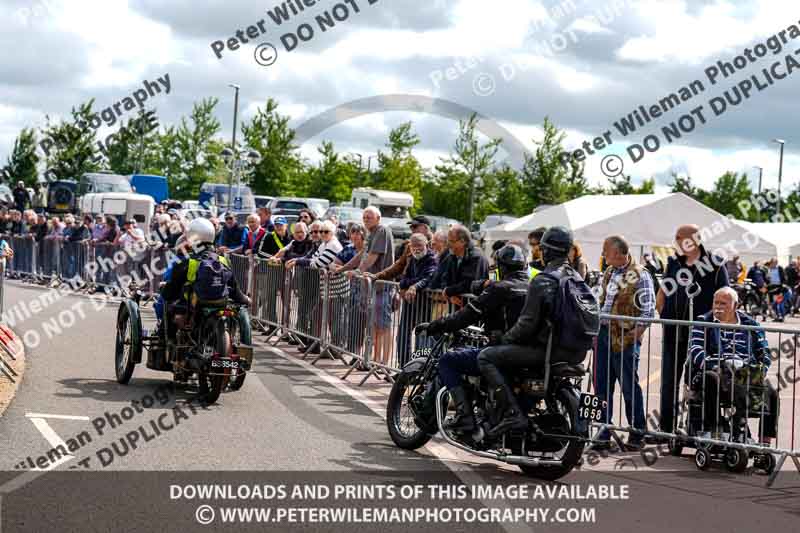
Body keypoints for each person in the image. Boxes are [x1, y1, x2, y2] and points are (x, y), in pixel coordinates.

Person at [477, 226, 588, 436]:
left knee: (486, 357)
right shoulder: (578, 279)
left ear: (546, 251)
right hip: (574, 353)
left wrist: (505, 339)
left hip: (545, 352)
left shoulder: (544, 280)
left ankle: (512, 414)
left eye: (542, 249)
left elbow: (526, 324)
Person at [422, 244, 530, 432]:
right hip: (530, 353)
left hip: (502, 351)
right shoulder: (533, 287)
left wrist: (436, 325)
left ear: (502, 267)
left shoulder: (500, 288)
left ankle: (465, 417)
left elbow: (466, 315)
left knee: (448, 361)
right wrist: (482, 285)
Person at [656, 224, 728, 436]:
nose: (675, 240)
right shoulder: (674, 263)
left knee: (696, 383)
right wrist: (665, 316)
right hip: (673, 333)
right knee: (668, 383)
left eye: (679, 237)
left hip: (701, 336)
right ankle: (666, 430)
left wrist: (713, 324)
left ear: (693, 239)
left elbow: (726, 296)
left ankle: (695, 428)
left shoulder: (714, 264)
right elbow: (662, 293)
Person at [688, 287, 778, 443]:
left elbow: (764, 352)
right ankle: (715, 431)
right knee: (711, 379)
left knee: (771, 393)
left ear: (736, 306)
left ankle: (765, 442)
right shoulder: (703, 321)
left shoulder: (751, 325)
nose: (718, 307)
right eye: (716, 303)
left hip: (744, 373)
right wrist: (714, 365)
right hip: (716, 371)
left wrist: (760, 370)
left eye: (723, 304)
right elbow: (695, 349)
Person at [593, 235, 655, 450]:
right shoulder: (609, 272)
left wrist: (634, 336)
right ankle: (603, 435)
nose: (603, 254)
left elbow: (648, 312)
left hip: (624, 339)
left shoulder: (641, 275)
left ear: (619, 253)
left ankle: (637, 434)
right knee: (601, 387)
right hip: (603, 336)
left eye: (605, 250)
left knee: (629, 388)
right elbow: (599, 301)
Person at [160, 219, 250, 353]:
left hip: (192, 307)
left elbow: (170, 293)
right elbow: (235, 290)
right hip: (220, 304)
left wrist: (164, 289)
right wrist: (246, 300)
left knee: (169, 307)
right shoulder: (224, 260)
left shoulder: (186, 262)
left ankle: (169, 344)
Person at [337, 206, 395, 367]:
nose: (366, 219)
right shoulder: (371, 233)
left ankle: (384, 363)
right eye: (364, 217)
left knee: (383, 325)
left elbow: (373, 257)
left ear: (378, 218)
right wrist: (342, 269)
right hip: (371, 287)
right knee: (374, 326)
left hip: (381, 286)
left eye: (369, 217)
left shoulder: (382, 230)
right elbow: (361, 255)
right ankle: (373, 360)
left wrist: (357, 271)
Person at [396, 233, 438, 365]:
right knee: (402, 336)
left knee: (422, 339)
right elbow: (403, 279)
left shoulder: (432, 258)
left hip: (425, 304)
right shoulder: (411, 258)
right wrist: (408, 285)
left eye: (419, 245)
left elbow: (428, 277)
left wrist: (414, 286)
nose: (416, 249)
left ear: (426, 244)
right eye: (413, 246)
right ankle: (404, 367)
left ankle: (418, 369)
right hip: (410, 303)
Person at [372, 215, 432, 283]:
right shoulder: (410, 246)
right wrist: (377, 276)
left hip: (424, 289)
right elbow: (398, 266)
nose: (412, 229)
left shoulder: (436, 244)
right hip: (408, 288)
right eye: (411, 227)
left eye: (415, 226)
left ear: (426, 227)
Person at [440, 225, 489, 305]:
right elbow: (444, 278)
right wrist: (449, 294)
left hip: (473, 308)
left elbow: (469, 283)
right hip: (456, 307)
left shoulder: (476, 257)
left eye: (452, 241)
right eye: (448, 241)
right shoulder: (452, 256)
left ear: (463, 241)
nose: (448, 245)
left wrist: (448, 291)